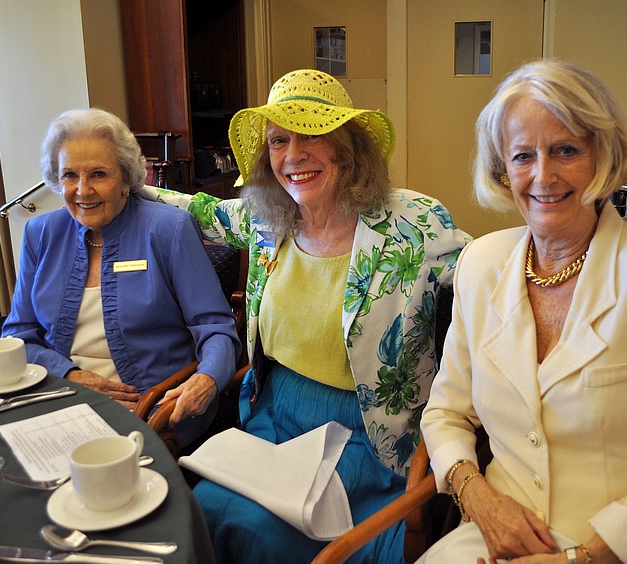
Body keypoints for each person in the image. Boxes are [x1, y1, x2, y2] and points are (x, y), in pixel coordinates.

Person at [140, 69, 470, 562]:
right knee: (204, 509)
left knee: (255, 531)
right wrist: (123, 183)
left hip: (367, 436)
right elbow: (198, 209)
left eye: (313, 135)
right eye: (278, 141)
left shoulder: (414, 222)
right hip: (273, 418)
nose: (293, 156)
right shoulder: (267, 219)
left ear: (348, 148)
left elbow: (485, 273)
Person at [418, 59, 627, 564]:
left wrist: (578, 558)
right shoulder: (481, 261)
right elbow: (446, 412)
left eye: (566, 150)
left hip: (622, 547)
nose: (543, 176)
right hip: (496, 537)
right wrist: (477, 497)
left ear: (602, 156)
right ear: (502, 170)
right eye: (523, 156)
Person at [2, 108, 241, 448]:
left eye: (99, 174)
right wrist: (70, 375)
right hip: (61, 395)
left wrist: (207, 379)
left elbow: (215, 327)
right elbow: (19, 333)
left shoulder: (167, 230)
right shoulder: (41, 233)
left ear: (127, 178)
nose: (83, 190)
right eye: (70, 175)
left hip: (149, 404)